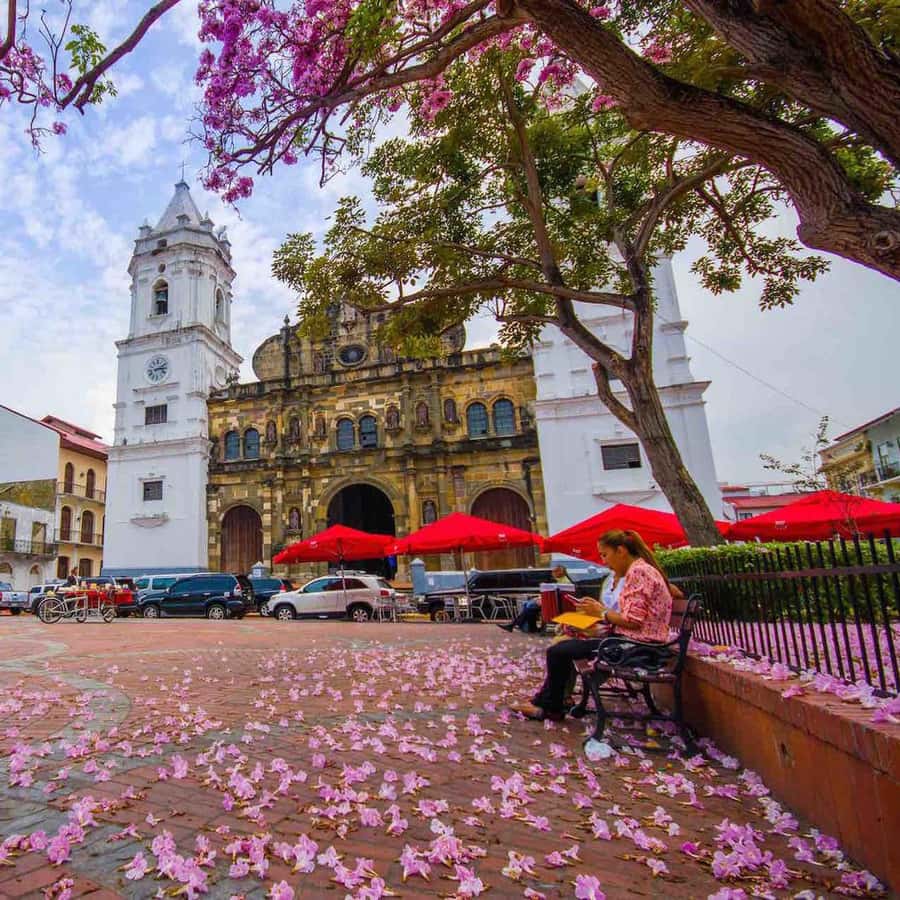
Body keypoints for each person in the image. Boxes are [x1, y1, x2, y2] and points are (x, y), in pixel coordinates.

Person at [511, 530, 675, 721]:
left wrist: (601, 612)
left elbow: (633, 621)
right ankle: (546, 702)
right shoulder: (640, 570)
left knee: (558, 651)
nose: (604, 561)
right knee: (562, 647)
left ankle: (549, 708)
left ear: (621, 551)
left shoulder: (638, 572)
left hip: (637, 648)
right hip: (635, 644)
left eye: (605, 555)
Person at [496, 564, 572, 633]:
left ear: (558, 573)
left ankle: (516, 625)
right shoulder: (564, 581)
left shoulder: (563, 582)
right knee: (528, 609)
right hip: (556, 606)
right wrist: (540, 598)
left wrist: (541, 600)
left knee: (529, 606)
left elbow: (556, 597)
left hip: (554, 608)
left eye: (553, 572)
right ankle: (525, 627)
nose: (552, 574)